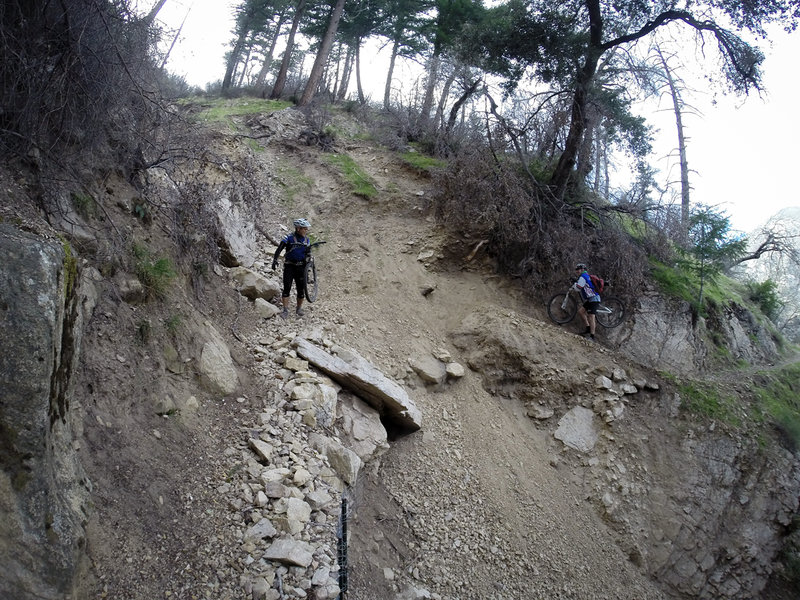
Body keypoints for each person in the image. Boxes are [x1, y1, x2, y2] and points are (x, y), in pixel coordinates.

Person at [272, 218, 311, 319]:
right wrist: (275, 259)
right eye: (304, 229)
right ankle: (285, 310)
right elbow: (280, 248)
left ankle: (299, 308)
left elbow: (308, 255)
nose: (306, 230)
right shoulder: (288, 238)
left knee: (301, 289)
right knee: (287, 287)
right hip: (290, 266)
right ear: (298, 228)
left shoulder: (307, 240)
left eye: (306, 229)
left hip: (301, 267)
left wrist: (308, 270)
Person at [571, 263, 600, 340]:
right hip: (591, 299)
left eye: (578, 269)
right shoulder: (585, 276)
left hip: (594, 299)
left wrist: (574, 284)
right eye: (576, 269)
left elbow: (578, 287)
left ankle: (592, 336)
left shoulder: (583, 277)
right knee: (581, 312)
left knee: (591, 317)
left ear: (582, 270)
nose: (576, 271)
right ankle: (588, 328)